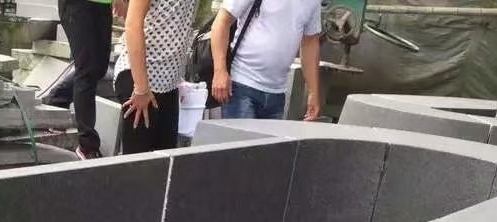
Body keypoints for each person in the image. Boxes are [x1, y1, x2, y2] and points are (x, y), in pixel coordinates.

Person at [209, 0, 321, 121]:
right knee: (242, 134)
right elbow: (222, 22)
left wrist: (313, 92)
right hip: (242, 84)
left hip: (277, 93)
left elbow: (310, 41)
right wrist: (220, 71)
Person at [114, 0, 201, 154]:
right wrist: (141, 88)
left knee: (166, 158)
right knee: (139, 160)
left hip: (169, 82)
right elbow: (133, 25)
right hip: (140, 77)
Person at [59, 0, 121, 159]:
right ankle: (87, 145)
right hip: (78, 5)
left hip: (103, 4)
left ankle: (57, 100)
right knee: (86, 70)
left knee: (99, 68)